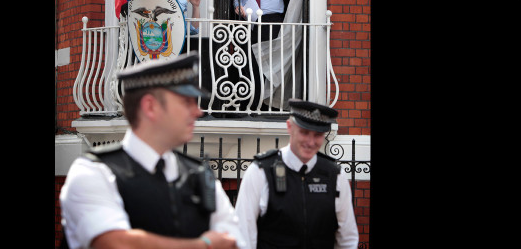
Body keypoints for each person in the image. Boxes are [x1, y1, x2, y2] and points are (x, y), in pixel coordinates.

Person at [59, 53, 247, 249]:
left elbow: (234, 242)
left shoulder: (199, 175)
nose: (198, 111)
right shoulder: (94, 172)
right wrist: (204, 244)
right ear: (150, 106)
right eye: (186, 102)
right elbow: (116, 244)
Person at [234, 98, 359, 249]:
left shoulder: (335, 175)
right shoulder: (260, 171)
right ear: (289, 127)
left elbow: (348, 239)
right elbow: (243, 237)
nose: (311, 142)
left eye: (318, 135)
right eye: (304, 132)